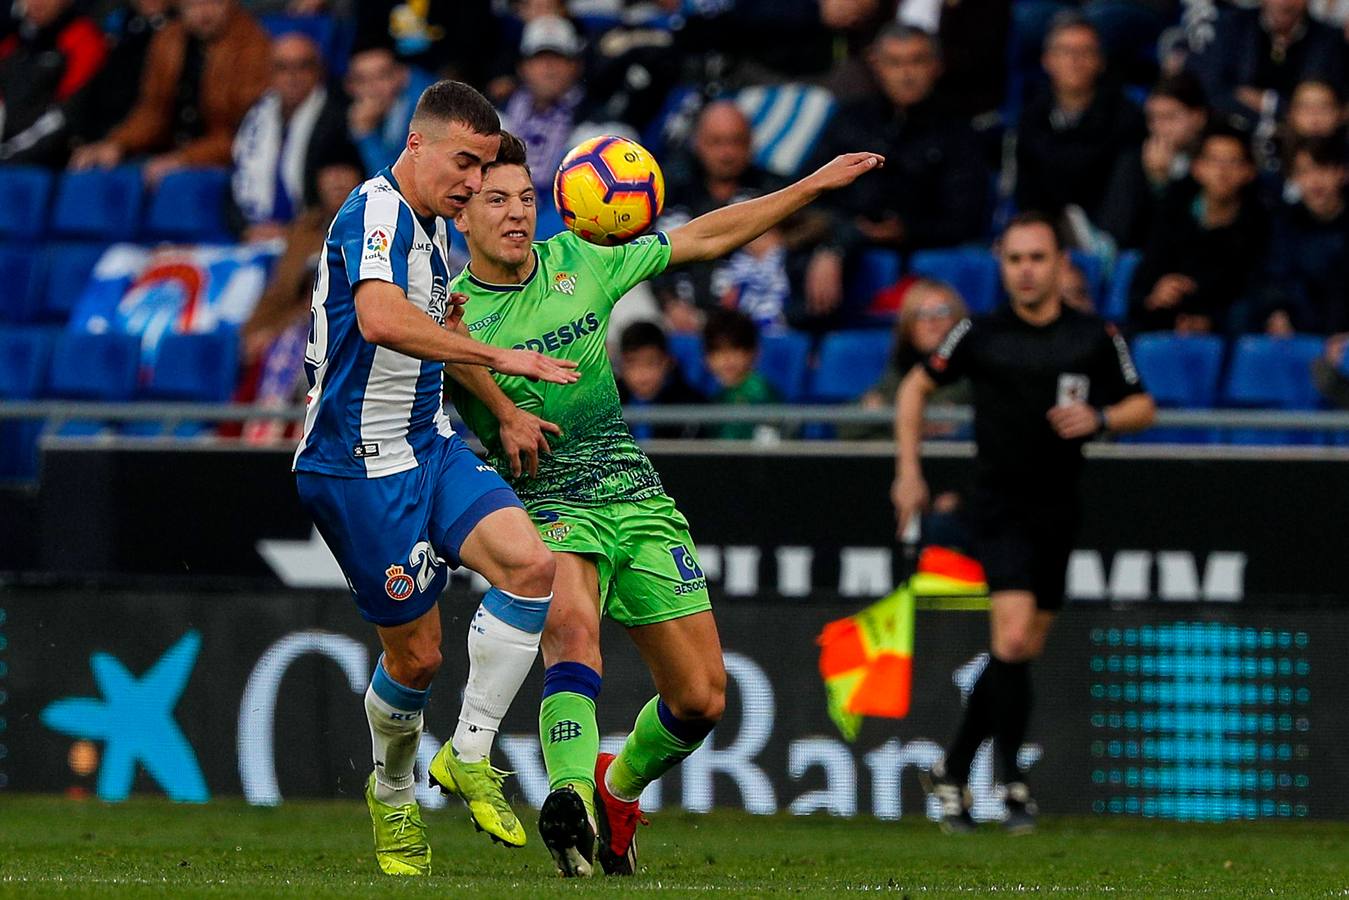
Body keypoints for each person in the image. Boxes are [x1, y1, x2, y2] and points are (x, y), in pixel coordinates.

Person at [445, 132, 883, 876]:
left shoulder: (581, 261)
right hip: (546, 503)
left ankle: (615, 792)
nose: (516, 214)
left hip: (635, 496)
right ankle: (571, 798)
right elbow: (435, 352)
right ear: (462, 215)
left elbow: (707, 234)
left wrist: (809, 185)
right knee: (572, 633)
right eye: (495, 200)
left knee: (702, 699)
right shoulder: (447, 313)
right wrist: (500, 410)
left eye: (524, 197)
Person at [292, 81, 581, 877]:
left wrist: (502, 408)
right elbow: (382, 320)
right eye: (465, 163)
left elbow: (431, 338)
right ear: (416, 144)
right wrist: (503, 358)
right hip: (355, 466)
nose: (474, 184)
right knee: (417, 659)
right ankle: (391, 794)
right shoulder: (376, 211)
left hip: (429, 442)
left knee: (531, 565)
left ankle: (469, 751)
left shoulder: (431, 229)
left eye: (485, 167)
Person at [893, 211, 1156, 834]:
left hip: (1059, 509)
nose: (1027, 271)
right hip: (999, 505)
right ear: (1002, 266)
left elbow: (1143, 404)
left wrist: (1102, 419)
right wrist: (908, 471)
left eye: (1038, 258)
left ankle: (956, 774)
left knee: (1021, 651)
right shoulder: (978, 333)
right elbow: (913, 389)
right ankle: (1010, 783)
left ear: (1061, 265)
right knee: (1011, 641)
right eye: (1015, 260)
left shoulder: (1093, 334)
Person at [800, 24, 989, 327]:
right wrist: (838, 240)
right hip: (843, 245)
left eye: (916, 61)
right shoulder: (849, 121)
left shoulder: (958, 133)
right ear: (877, 65)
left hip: (923, 264)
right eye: (895, 62)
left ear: (936, 66)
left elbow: (966, 218)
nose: (906, 73)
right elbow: (807, 192)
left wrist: (906, 230)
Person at [68, 0, 270, 183]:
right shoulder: (169, 40)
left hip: (225, 164)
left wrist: (185, 159)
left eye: (213, 3)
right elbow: (152, 113)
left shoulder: (253, 47)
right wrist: (118, 143)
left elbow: (243, 134)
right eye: (193, 5)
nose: (203, 13)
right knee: (93, 175)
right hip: (168, 154)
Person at [654, 101, 788, 333]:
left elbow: (825, 222)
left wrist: (785, 242)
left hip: (746, 317)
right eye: (716, 142)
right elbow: (640, 251)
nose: (727, 154)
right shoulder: (670, 190)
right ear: (697, 143)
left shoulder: (772, 190)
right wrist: (670, 303)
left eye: (736, 142)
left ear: (751, 143)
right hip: (672, 314)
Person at [1129, 126, 1268, 334]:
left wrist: (1211, 319)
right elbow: (1140, 286)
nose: (1222, 172)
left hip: (1225, 332)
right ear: (1197, 167)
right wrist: (1155, 295)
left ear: (1249, 171)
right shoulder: (1172, 213)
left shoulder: (1261, 225)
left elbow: (1253, 293)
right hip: (1164, 322)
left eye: (1233, 162)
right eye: (1213, 161)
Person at [1015, 13, 1146, 224]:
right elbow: (1027, 194)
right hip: (1049, 236)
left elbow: (1124, 196)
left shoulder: (1127, 118)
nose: (1075, 61)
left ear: (1101, 61)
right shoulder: (1031, 118)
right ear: (1047, 60)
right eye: (1065, 51)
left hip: (1106, 238)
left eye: (1085, 51)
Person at [230, 33, 353, 241]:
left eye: (303, 66)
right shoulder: (255, 118)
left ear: (319, 71)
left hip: (314, 234)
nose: (292, 76)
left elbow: (340, 192)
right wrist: (246, 230)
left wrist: (292, 232)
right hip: (257, 233)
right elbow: (234, 183)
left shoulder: (339, 117)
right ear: (269, 74)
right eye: (282, 68)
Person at [1187, 0, 1344, 127]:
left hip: (1300, 139)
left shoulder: (1329, 40)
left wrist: (1269, 103)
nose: (1284, 3)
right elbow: (1210, 85)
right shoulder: (1231, 26)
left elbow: (1330, 101)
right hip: (1235, 129)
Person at [1097, 72, 1210, 249]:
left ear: (1198, 117)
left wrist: (1163, 184)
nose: (1159, 127)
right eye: (1153, 118)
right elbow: (1120, 231)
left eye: (1170, 117)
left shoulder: (1217, 160)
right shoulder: (1134, 161)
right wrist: (1155, 182)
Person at [1250, 138, 1349, 335]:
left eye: (1323, 169)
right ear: (1293, 178)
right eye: (1304, 172)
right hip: (1297, 326)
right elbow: (1274, 275)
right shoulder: (1283, 222)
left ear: (1343, 173)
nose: (1315, 181)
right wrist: (1277, 311)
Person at [0, 0, 107, 166]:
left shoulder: (83, 40)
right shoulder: (11, 42)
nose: (37, 3)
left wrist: (8, 151)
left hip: (49, 163)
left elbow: (65, 114)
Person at [498, 15, 589, 199]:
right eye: (540, 58)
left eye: (558, 57)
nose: (549, 67)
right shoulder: (497, 114)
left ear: (575, 66)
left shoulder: (595, 117)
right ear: (523, 67)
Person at [345, 47, 436, 176]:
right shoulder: (346, 110)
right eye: (362, 80)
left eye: (382, 77)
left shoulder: (428, 112)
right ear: (350, 86)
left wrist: (365, 133)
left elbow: (394, 182)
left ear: (402, 75)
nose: (373, 89)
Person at [615, 321, 706, 440]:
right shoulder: (606, 401)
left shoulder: (692, 405)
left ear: (667, 362)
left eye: (650, 363)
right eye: (632, 364)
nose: (642, 374)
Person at [702, 308, 780, 440]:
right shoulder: (717, 397)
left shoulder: (761, 394)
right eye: (718, 351)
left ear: (754, 352)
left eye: (735, 349)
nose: (727, 359)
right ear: (707, 358)